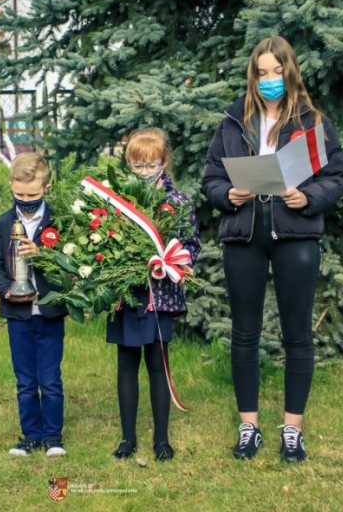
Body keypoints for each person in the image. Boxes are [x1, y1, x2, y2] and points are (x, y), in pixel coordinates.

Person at [201, 36, 343, 463]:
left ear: (289, 71)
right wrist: (229, 193)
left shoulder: (311, 121)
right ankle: (249, 427)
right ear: (253, 75)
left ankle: (292, 430)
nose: (269, 80)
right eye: (261, 73)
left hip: (295, 233)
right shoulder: (233, 120)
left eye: (276, 71)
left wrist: (310, 197)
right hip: (244, 234)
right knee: (244, 333)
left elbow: (336, 176)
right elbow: (210, 178)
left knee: (297, 333)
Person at [107, 128, 200, 462]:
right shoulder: (118, 202)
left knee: (158, 365)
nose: (144, 172)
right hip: (126, 296)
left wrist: (181, 262)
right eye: (137, 166)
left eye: (150, 165)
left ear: (164, 161)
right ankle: (127, 439)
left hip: (161, 297)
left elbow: (191, 243)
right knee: (126, 363)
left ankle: (162, 439)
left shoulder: (178, 202)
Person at [0, 152, 69, 457]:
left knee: (50, 379)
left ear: (46, 188)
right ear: (11, 185)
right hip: (18, 314)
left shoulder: (60, 220)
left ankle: (53, 438)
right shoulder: (3, 222)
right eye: (19, 194)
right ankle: (30, 436)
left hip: (49, 312)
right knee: (25, 380)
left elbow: (71, 263)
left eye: (32, 194)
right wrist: (6, 290)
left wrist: (44, 256)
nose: (25, 199)